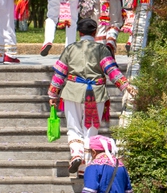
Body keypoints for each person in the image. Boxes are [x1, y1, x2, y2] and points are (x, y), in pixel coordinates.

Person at [48, 16, 135, 173]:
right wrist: (126, 86)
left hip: (72, 92)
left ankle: (76, 154)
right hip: (96, 94)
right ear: (95, 33)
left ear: (79, 33)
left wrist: (53, 95)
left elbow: (59, 74)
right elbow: (112, 71)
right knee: (91, 130)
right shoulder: (101, 50)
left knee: (73, 129)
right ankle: (84, 167)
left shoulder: (70, 49)